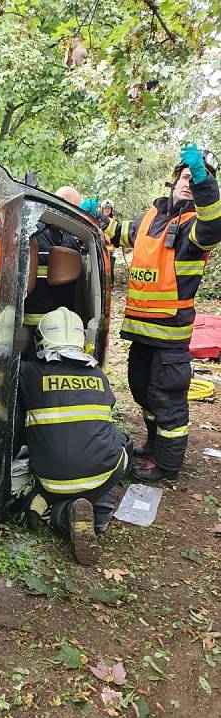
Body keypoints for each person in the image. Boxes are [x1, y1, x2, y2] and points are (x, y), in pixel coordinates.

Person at [91, 145, 221, 481]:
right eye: (186, 176)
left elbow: (213, 226)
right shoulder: (149, 218)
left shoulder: (196, 227)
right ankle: (153, 445)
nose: (189, 183)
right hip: (141, 330)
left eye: (198, 179)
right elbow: (121, 234)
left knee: (168, 400)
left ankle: (167, 465)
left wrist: (206, 185)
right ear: (175, 178)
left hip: (170, 336)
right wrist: (96, 217)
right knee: (141, 390)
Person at [17, 307, 131, 565]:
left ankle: (60, 509)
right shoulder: (99, 376)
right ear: (82, 341)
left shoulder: (29, 374)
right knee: (122, 441)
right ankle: (99, 513)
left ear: (41, 339)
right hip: (100, 474)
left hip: (51, 478)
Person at [23, 186, 84, 327]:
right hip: (36, 319)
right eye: (74, 210)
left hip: (62, 319)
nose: (76, 217)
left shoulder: (70, 236)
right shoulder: (33, 233)